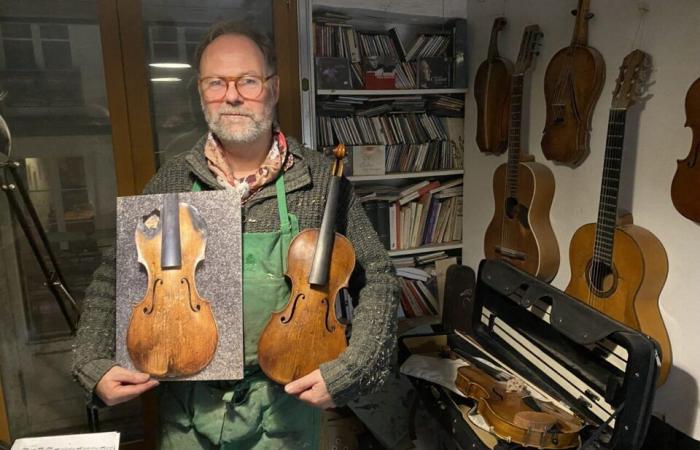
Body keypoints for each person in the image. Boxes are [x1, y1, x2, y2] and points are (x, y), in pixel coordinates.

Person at [72, 20, 399, 449]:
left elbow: (377, 277)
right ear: (201, 92)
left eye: (248, 80)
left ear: (274, 87)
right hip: (186, 410)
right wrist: (90, 364)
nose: (231, 96)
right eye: (215, 83)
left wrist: (353, 368)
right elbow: (115, 275)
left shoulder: (320, 180)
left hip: (285, 406)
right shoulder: (171, 179)